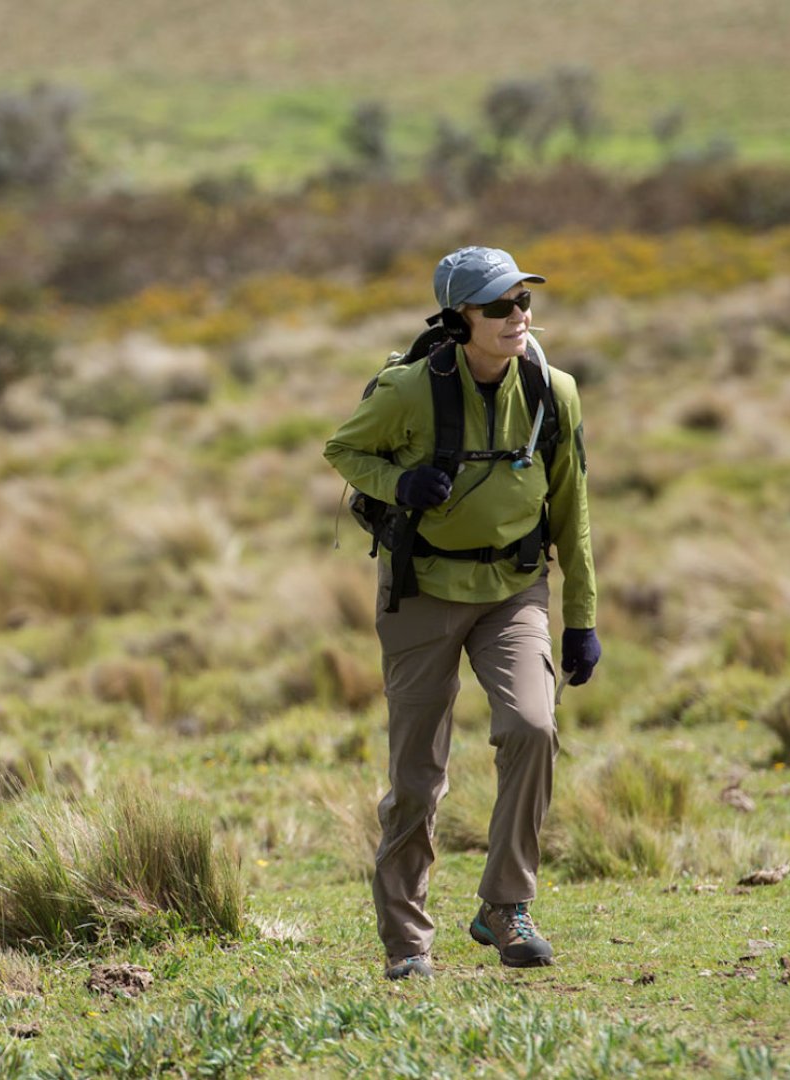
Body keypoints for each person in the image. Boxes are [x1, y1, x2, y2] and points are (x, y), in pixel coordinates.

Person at [322, 246, 600, 979]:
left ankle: (505, 908)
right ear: (459, 318)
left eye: (523, 302)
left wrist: (582, 617)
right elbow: (343, 449)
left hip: (513, 592)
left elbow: (572, 510)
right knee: (417, 777)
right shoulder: (411, 390)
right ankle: (408, 941)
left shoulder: (553, 391)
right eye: (499, 306)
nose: (519, 317)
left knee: (534, 728)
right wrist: (400, 482)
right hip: (422, 592)